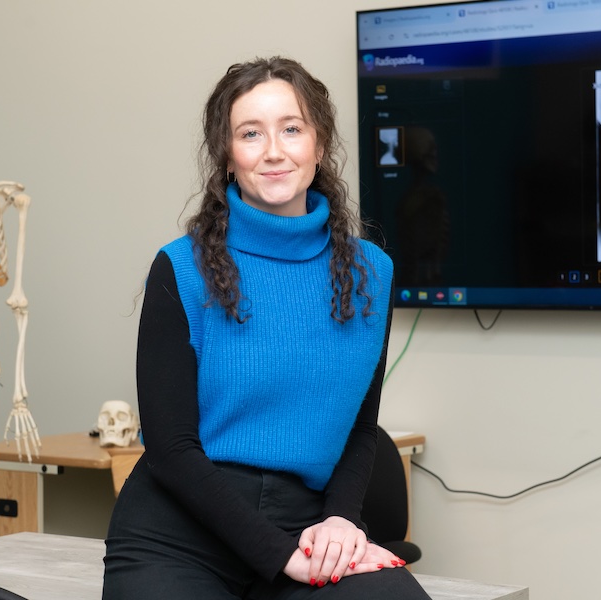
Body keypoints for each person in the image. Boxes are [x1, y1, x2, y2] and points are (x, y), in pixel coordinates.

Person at [102, 57, 431, 599]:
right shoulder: (181, 268)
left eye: (292, 129)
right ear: (228, 157)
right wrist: (276, 556)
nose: (274, 151)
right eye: (250, 133)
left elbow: (359, 427)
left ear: (319, 146)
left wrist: (343, 522)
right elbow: (171, 450)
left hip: (307, 529)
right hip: (180, 534)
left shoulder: (373, 272)